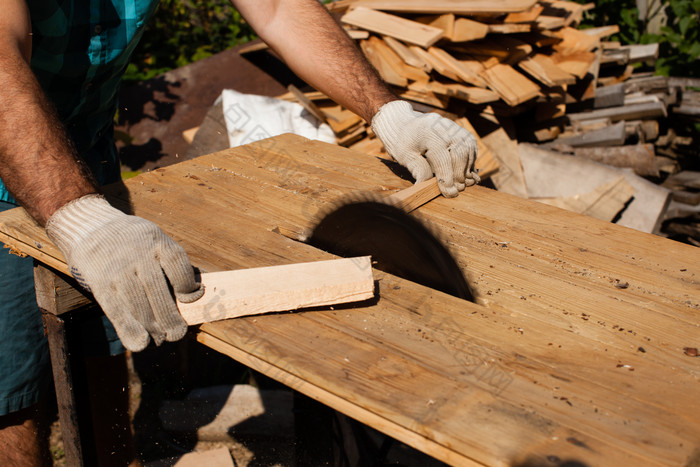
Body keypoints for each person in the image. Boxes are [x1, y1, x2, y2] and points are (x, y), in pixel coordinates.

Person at [0, 0, 479, 464]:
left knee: (96, 366)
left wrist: (387, 111)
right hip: (10, 154)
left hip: (87, 160)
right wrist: (80, 216)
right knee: (11, 398)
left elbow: (277, 8)